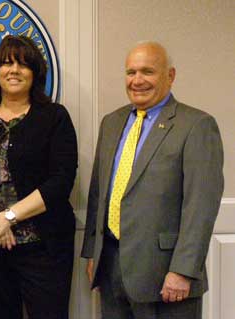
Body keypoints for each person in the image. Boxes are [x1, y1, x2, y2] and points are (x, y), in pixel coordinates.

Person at [81, 41, 224, 319]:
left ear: (170, 76)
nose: (137, 80)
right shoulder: (111, 123)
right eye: (130, 72)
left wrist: (183, 270)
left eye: (147, 71)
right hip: (111, 268)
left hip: (166, 276)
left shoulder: (196, 125)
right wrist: (92, 254)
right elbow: (99, 194)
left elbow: (201, 206)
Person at [0, 35, 78, 319]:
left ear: (35, 73)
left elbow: (61, 181)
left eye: (23, 64)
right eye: (7, 63)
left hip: (43, 248)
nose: (14, 70)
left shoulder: (54, 117)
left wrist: (7, 218)